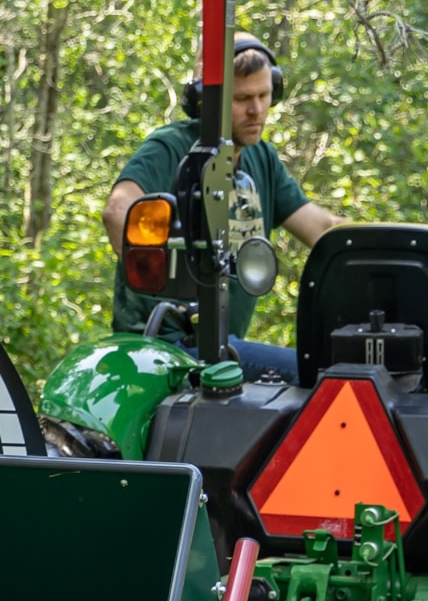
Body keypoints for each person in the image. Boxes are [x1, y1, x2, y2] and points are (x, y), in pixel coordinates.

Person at [106, 38, 341, 380]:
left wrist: (386, 247)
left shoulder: (262, 158)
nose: (257, 110)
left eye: (264, 96)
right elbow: (118, 211)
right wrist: (166, 282)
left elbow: (321, 228)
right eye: (242, 98)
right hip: (166, 345)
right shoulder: (174, 148)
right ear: (208, 101)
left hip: (220, 346)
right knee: (321, 378)